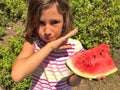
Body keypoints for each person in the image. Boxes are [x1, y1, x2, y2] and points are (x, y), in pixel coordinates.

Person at [11, 0, 84, 90]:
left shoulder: (74, 47)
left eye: (54, 22)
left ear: (64, 20)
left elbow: (72, 83)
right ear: (34, 22)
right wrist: (50, 47)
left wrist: (81, 73)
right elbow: (16, 75)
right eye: (41, 23)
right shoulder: (33, 44)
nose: (47, 31)